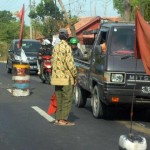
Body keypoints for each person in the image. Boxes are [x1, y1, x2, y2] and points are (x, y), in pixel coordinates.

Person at [51, 28, 77, 126]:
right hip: (66, 78)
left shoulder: (55, 47)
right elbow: (70, 64)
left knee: (59, 98)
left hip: (56, 78)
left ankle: (58, 118)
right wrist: (75, 75)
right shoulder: (67, 47)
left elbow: (53, 61)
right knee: (67, 98)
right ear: (67, 37)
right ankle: (63, 119)